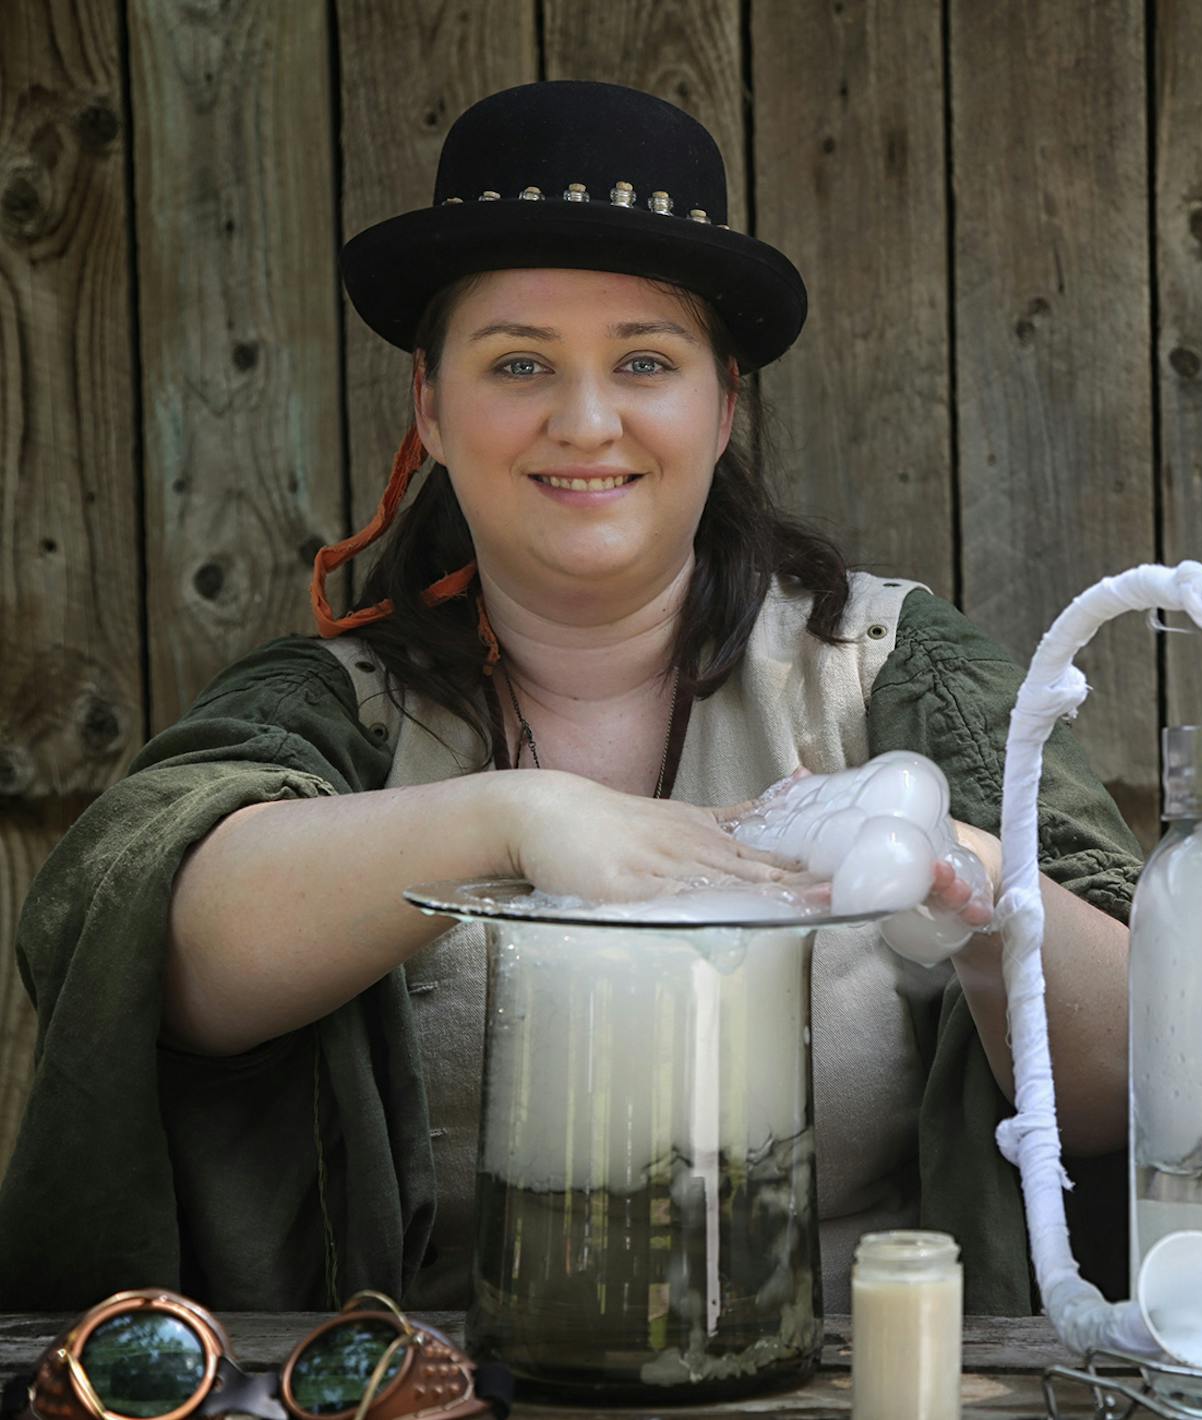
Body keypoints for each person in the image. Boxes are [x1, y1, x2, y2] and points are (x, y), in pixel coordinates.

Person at [0, 79, 1140, 1314]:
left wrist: (971, 884)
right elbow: (136, 945)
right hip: (432, 1388)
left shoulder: (886, 670)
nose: (587, 421)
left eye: (645, 361)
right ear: (432, 409)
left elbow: (1149, 1070)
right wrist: (512, 816)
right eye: (520, 363)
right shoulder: (343, 713)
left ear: (723, 404)